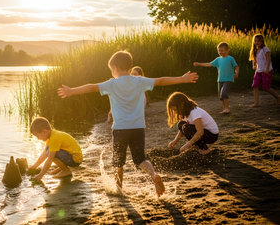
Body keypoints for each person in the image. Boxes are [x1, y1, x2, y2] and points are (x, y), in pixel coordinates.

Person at [57, 50, 199, 197]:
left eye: (111, 69)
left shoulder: (112, 84)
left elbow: (92, 87)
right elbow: (161, 80)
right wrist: (182, 79)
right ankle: (154, 174)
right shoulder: (139, 80)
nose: (111, 72)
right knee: (140, 158)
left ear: (115, 67)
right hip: (138, 128)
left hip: (120, 130)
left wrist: (72, 91)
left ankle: (118, 188)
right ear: (129, 67)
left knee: (118, 162)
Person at [193, 42, 239, 114]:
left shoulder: (230, 58)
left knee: (224, 93)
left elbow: (236, 66)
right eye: (219, 51)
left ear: (227, 50)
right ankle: (225, 109)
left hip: (228, 79)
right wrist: (199, 64)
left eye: (222, 50)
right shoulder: (218, 59)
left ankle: (227, 108)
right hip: (220, 80)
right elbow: (209, 64)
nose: (220, 52)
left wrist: (236, 73)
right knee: (220, 95)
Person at [249, 34, 280, 107]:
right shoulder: (256, 50)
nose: (257, 42)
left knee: (266, 88)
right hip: (258, 70)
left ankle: (278, 98)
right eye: (255, 41)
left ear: (262, 41)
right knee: (255, 86)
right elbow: (255, 58)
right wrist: (254, 64)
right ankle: (256, 103)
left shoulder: (265, 49)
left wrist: (267, 68)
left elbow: (268, 59)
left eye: (258, 41)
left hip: (266, 70)